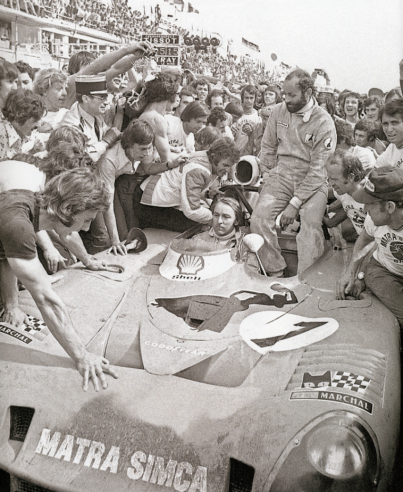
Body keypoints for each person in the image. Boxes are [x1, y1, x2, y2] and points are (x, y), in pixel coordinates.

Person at [0, 168, 119, 390]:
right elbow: (46, 300)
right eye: (86, 220)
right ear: (66, 209)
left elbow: (4, 254)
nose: (85, 228)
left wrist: (87, 260)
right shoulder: (18, 224)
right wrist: (82, 355)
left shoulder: (32, 203)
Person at [251, 68, 337, 276]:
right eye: (284, 94)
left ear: (307, 93)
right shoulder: (278, 111)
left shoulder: (324, 122)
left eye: (292, 95)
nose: (286, 99)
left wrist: (294, 204)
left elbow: (318, 171)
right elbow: (268, 147)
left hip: (313, 181)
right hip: (282, 175)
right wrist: (268, 175)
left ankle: (306, 277)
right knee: (259, 218)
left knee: (310, 225)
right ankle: (275, 269)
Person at [335, 166, 403, 330]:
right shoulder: (373, 219)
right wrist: (351, 274)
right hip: (384, 270)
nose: (365, 209)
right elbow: (365, 240)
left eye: (370, 204)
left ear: (390, 207)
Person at [140, 137, 240, 231]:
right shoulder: (198, 169)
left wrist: (207, 194)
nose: (227, 170)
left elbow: (188, 189)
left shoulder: (206, 156)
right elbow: (192, 210)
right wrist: (217, 218)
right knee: (198, 227)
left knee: (202, 222)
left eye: (229, 167)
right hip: (148, 204)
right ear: (214, 156)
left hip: (155, 198)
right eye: (225, 165)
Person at [61, 74, 120, 162]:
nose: (107, 102)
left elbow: (106, 132)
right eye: (102, 98)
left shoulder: (94, 113)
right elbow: (78, 158)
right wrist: (106, 142)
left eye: (106, 98)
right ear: (86, 99)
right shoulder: (71, 124)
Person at [324, 149, 367, 241]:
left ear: (350, 177)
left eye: (334, 179)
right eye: (329, 179)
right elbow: (322, 193)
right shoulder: (343, 191)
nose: (331, 183)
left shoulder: (372, 195)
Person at [0, 89, 45, 159]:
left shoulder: (17, 132)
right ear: (19, 116)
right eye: (35, 120)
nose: (38, 124)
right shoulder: (2, 134)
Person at [232, 84, 262, 155]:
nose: (249, 101)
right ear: (242, 98)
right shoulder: (236, 112)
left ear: (255, 99)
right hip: (234, 151)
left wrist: (253, 131)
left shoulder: (258, 116)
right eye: (246, 98)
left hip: (249, 154)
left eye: (251, 98)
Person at [375, 99, 403, 169]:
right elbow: (375, 170)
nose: (389, 129)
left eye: (394, 123)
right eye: (385, 124)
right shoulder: (392, 147)